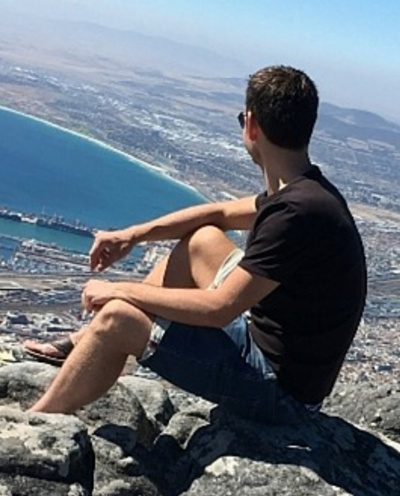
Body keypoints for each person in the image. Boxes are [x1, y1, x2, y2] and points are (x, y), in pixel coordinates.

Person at [24, 65, 367, 422]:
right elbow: (219, 213)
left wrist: (117, 290)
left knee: (117, 318)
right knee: (201, 241)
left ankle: (36, 421)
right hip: (267, 349)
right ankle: (85, 342)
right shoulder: (305, 192)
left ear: (251, 125)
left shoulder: (297, 212)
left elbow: (219, 309)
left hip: (281, 393)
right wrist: (132, 235)